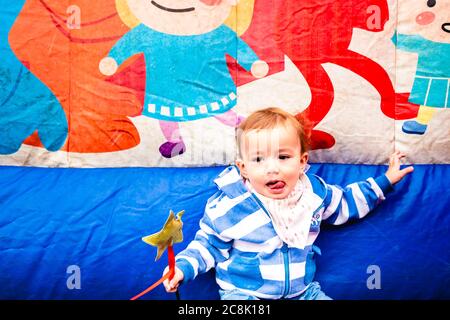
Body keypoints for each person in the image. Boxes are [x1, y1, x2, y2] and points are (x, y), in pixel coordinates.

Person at [162, 107, 414, 300]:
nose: (273, 168)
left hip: (302, 292)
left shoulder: (313, 193)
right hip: (245, 294)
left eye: (283, 157)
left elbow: (347, 201)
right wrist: (182, 268)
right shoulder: (231, 205)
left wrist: (385, 181)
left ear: (302, 161)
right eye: (259, 159)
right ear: (244, 169)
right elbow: (208, 245)